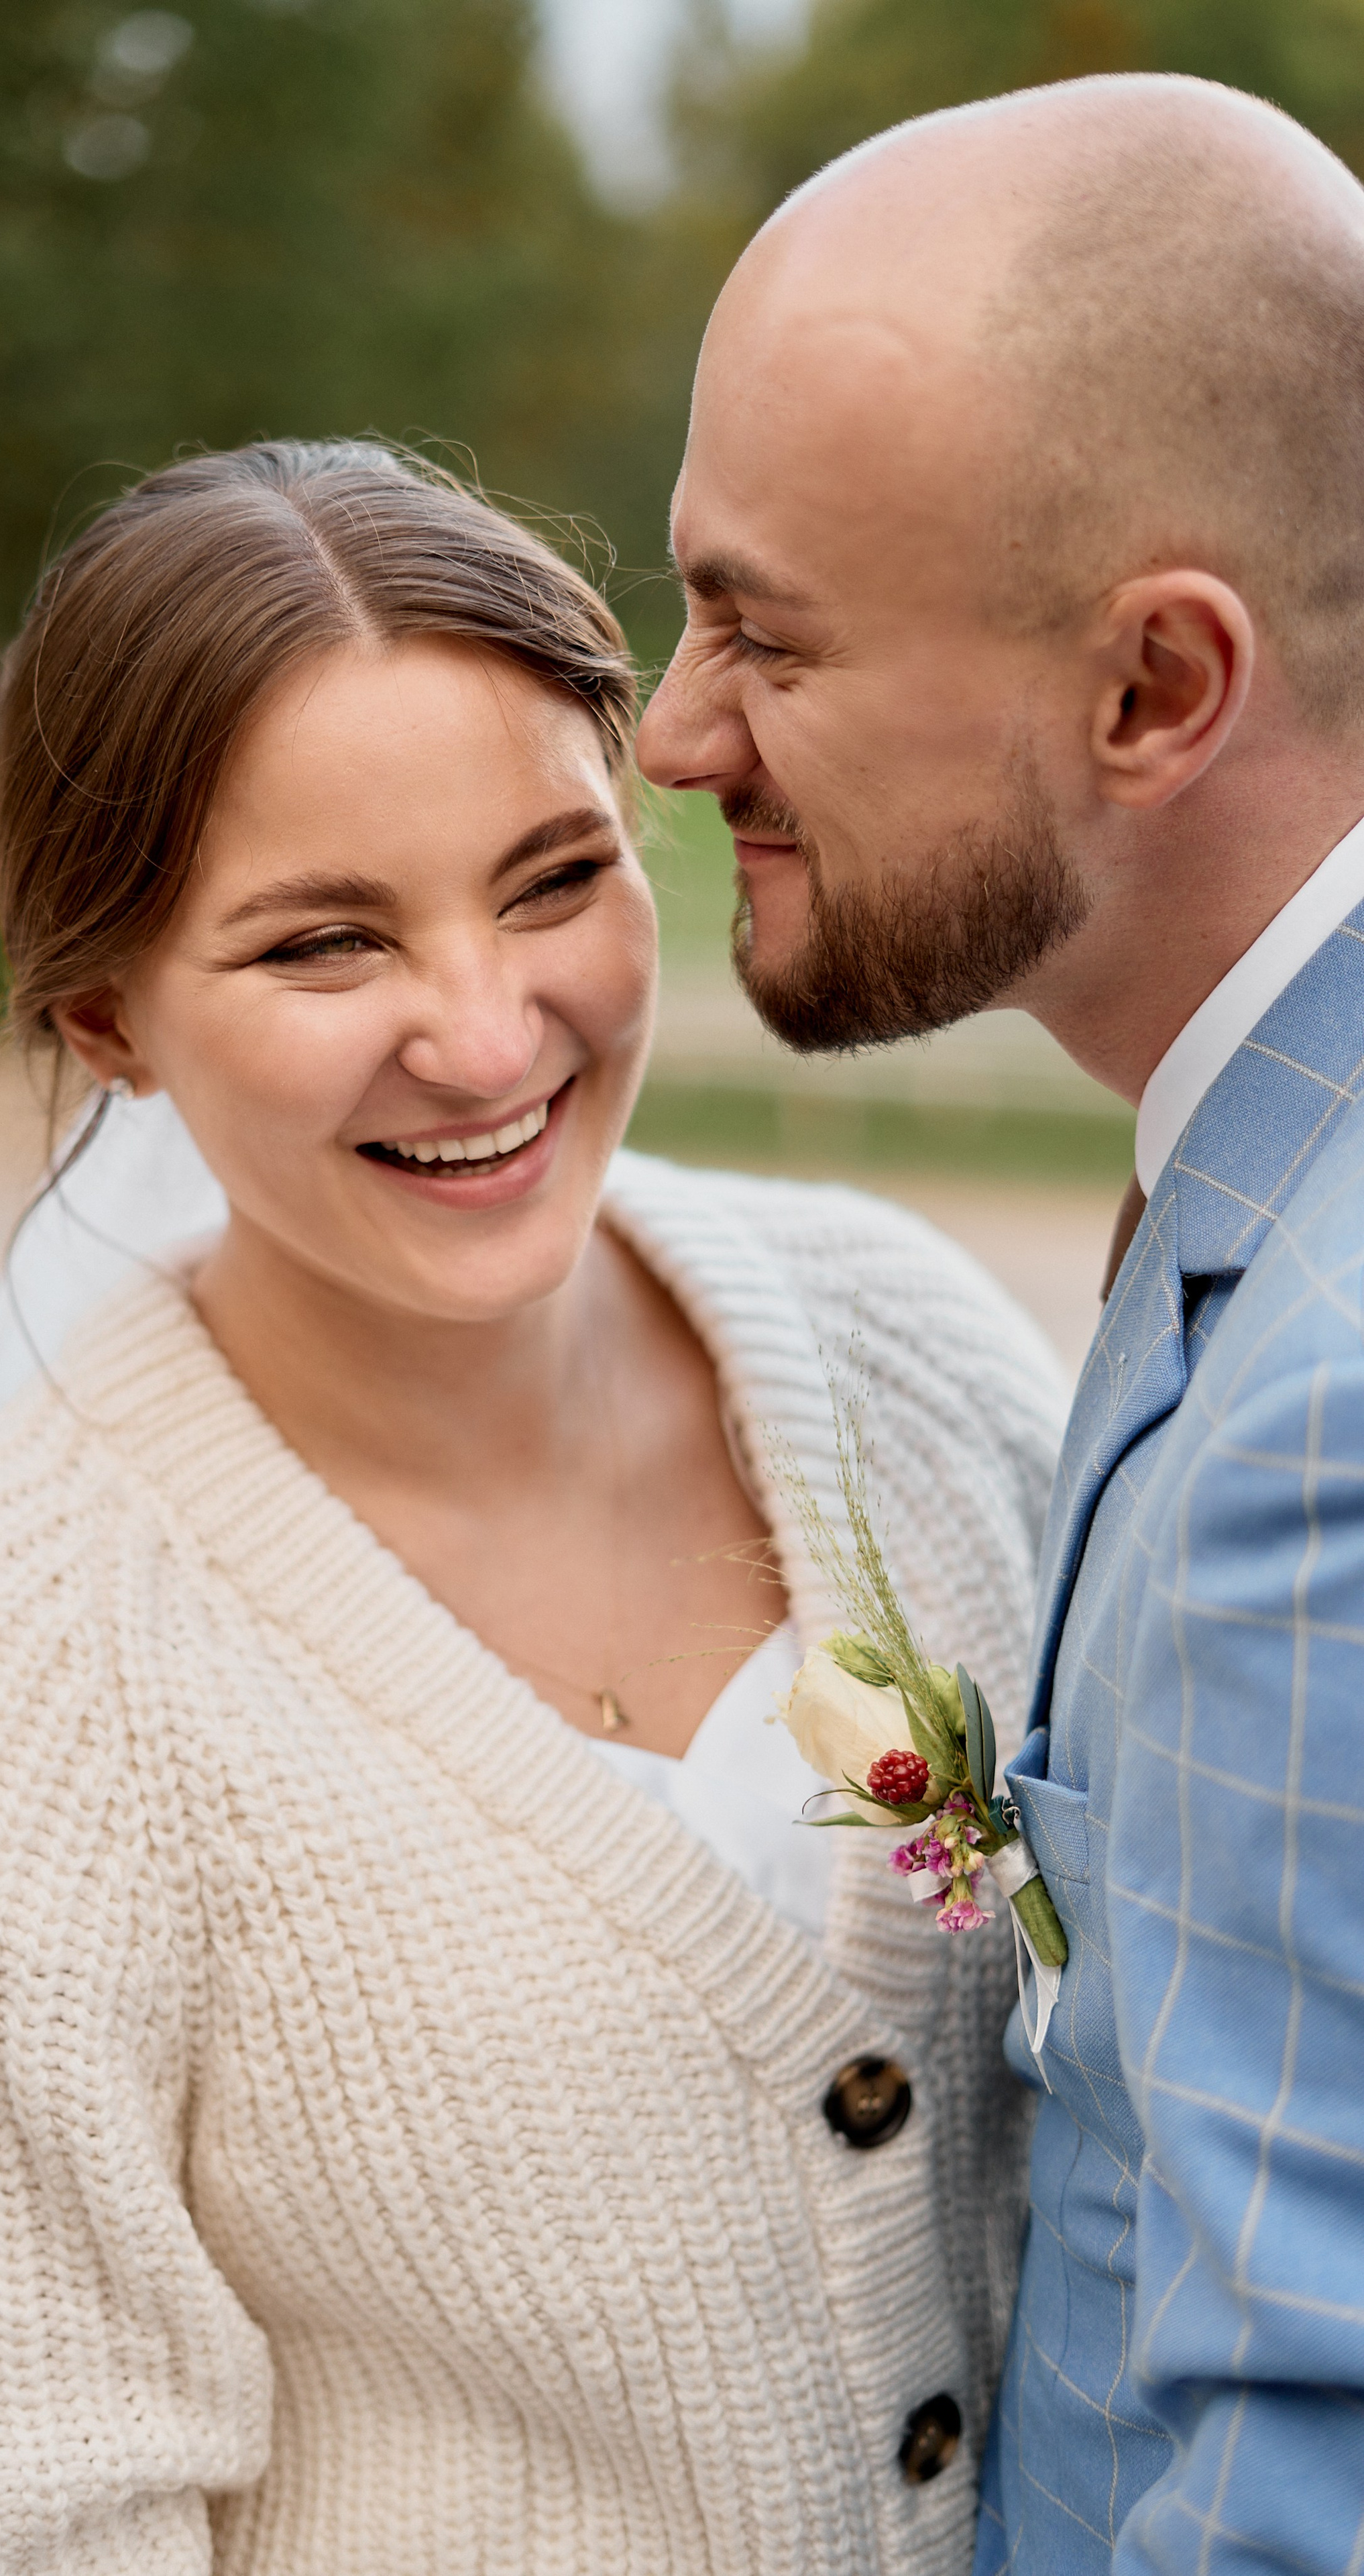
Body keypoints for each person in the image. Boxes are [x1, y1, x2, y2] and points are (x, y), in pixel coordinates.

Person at [0, 442, 1064, 2574]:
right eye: (324, 943)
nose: (482, 1033)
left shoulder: (911, 1355)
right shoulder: (3, 1684)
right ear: (108, 1019)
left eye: (552, 881)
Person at [638, 70, 1364, 2576]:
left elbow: (1298, 2448)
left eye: (766, 633)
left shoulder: (1328, 1421)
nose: (675, 731)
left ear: (1156, 689)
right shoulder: (1263, 1171)